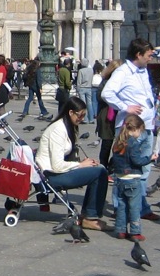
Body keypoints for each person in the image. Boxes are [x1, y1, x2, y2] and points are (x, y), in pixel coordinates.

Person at [100, 38, 160, 222]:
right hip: (130, 128)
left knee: (143, 169)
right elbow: (106, 93)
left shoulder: (143, 72)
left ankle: (141, 206)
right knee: (125, 170)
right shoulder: (123, 72)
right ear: (138, 54)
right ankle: (120, 207)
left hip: (147, 125)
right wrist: (126, 107)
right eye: (148, 55)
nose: (151, 58)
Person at [34, 96, 110, 230]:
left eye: (84, 116)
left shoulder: (67, 125)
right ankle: (90, 217)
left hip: (57, 171)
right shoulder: (58, 129)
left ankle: (89, 215)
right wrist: (80, 165)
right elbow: (57, 166)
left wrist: (83, 163)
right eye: (80, 115)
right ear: (70, 113)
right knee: (100, 172)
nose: (82, 119)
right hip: (51, 175)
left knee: (99, 168)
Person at [108, 114, 149, 241]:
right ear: (135, 129)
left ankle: (121, 230)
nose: (140, 134)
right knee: (134, 206)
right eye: (140, 131)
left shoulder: (118, 142)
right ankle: (135, 232)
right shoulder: (133, 143)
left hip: (120, 179)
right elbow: (136, 161)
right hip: (132, 179)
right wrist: (149, 158)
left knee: (122, 206)